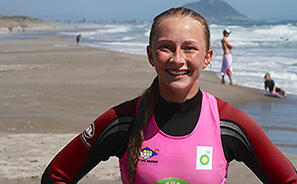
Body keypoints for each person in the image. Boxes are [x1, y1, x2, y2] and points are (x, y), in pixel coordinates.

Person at [41, 7, 297, 184]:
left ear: (207, 57)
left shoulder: (229, 123)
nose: (177, 59)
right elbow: (56, 175)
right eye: (166, 47)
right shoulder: (122, 120)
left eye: (189, 48)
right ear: (151, 55)